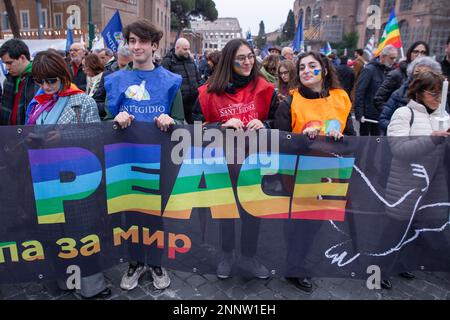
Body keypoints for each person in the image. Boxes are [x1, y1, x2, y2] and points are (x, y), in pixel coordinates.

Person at [104, 19, 184, 291]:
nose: (136, 46)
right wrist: (116, 118)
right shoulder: (114, 80)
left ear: (153, 45)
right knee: (131, 213)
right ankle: (136, 262)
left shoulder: (172, 81)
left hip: (159, 159)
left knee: (155, 213)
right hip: (126, 159)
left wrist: (169, 120)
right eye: (131, 41)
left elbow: (182, 120)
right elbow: (104, 121)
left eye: (142, 41)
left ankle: (156, 261)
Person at [25, 50, 110, 299]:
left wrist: (64, 137)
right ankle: (64, 280)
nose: (46, 86)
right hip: (47, 178)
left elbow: (96, 135)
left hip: (78, 179)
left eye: (51, 80)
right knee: (53, 231)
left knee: (82, 233)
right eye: (40, 81)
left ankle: (91, 286)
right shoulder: (37, 102)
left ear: (63, 75)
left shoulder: (82, 101)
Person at [192, 38, 278, 280]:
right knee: (226, 211)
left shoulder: (264, 88)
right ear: (229, 61)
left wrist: (265, 123)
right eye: (241, 58)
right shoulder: (208, 92)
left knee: (253, 212)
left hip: (255, 162)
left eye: (250, 56)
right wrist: (220, 125)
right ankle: (227, 255)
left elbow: (279, 123)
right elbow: (194, 127)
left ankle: (249, 257)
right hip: (221, 163)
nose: (247, 62)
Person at [275, 51, 352, 292]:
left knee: (315, 223)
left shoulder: (341, 99)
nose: (306, 71)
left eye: (312, 66)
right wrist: (301, 140)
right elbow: (281, 142)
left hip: (331, 171)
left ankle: (299, 259)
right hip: (299, 173)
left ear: (325, 70)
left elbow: (352, 137)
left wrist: (342, 138)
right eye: (302, 68)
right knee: (299, 223)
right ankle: (295, 267)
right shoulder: (290, 102)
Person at [384, 70, 450, 289]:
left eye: (440, 94)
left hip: (432, 185)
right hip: (405, 186)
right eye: (433, 93)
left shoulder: (444, 116)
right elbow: (400, 149)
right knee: (394, 229)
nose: (438, 99)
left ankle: (402, 263)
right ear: (419, 92)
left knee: (416, 229)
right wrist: (432, 140)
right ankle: (379, 268)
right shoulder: (404, 114)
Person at [379, 56, 443, 133]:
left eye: (426, 73)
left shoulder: (440, 100)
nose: (420, 75)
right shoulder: (399, 94)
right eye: (417, 72)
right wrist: (400, 128)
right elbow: (384, 119)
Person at [354, 45, 398, 136]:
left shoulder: (392, 72)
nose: (394, 61)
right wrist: (359, 113)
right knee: (364, 142)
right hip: (367, 115)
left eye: (395, 58)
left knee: (377, 141)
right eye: (391, 58)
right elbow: (360, 91)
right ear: (383, 57)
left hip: (381, 114)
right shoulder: (369, 69)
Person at [374, 41, 430, 112]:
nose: (419, 55)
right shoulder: (396, 74)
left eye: (423, 52)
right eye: (416, 52)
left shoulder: (429, 78)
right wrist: (392, 116)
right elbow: (379, 99)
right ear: (410, 54)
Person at [162, 37, 201, 124]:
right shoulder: (167, 62)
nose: (187, 51)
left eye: (188, 49)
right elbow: (164, 84)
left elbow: (198, 78)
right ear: (177, 48)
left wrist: (198, 91)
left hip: (192, 101)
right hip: (178, 103)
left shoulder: (191, 61)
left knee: (194, 128)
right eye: (185, 49)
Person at [0, 39, 38, 125]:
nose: (7, 67)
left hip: (31, 133)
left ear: (22, 58)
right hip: (10, 133)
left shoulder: (39, 79)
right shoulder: (8, 80)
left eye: (9, 63)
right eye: (5, 63)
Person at [83, 53, 110, 119]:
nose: (83, 69)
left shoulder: (107, 77)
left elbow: (109, 103)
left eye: (84, 66)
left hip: (103, 117)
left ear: (92, 65)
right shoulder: (88, 78)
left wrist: (91, 105)